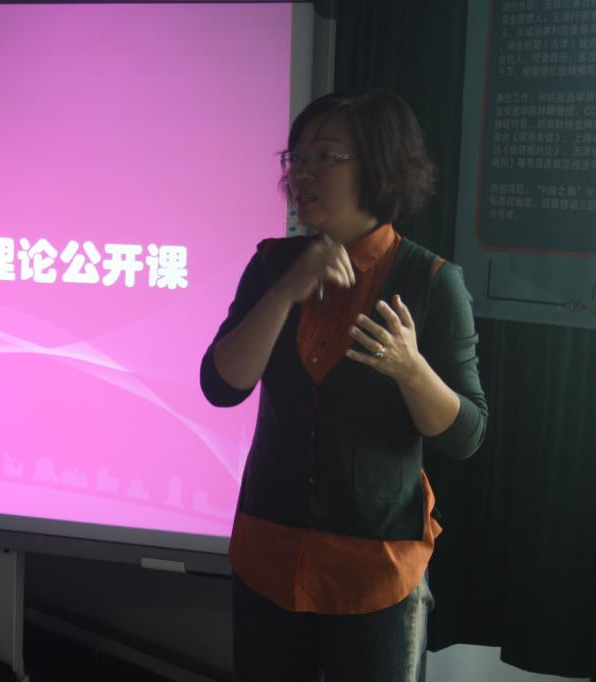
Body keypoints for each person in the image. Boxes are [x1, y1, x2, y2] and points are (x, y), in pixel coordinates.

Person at [200, 89, 488, 682]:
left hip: (376, 572)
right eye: (297, 157)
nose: (302, 173)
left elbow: (466, 435)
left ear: (379, 167)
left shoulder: (432, 280)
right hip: (269, 556)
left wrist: (411, 369)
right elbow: (222, 386)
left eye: (325, 157)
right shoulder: (272, 264)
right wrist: (286, 291)